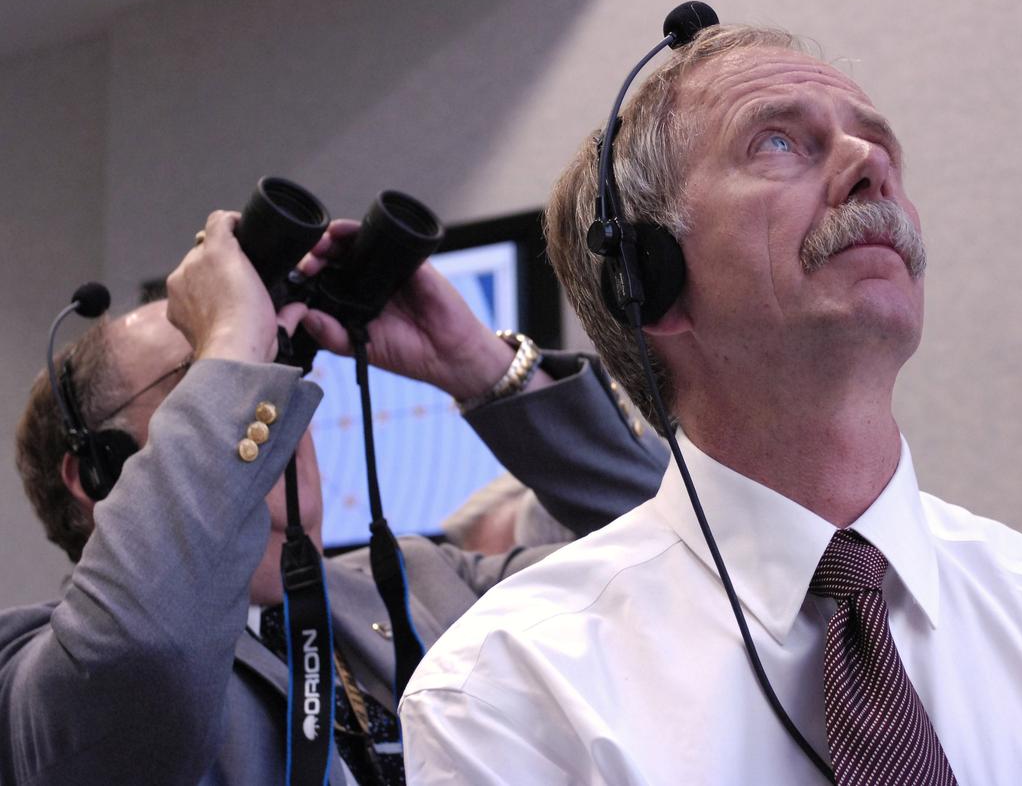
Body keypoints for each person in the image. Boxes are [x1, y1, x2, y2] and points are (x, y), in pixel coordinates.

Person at [398, 24, 1022, 784]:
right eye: (779, 143)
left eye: (879, 145)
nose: (870, 168)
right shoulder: (515, 686)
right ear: (646, 278)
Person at [0, 209, 667, 785]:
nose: (273, 404)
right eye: (208, 381)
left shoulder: (427, 586)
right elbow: (145, 651)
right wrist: (231, 343)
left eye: (280, 368)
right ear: (96, 473)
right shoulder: (37, 671)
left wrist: (482, 370)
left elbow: (685, 560)